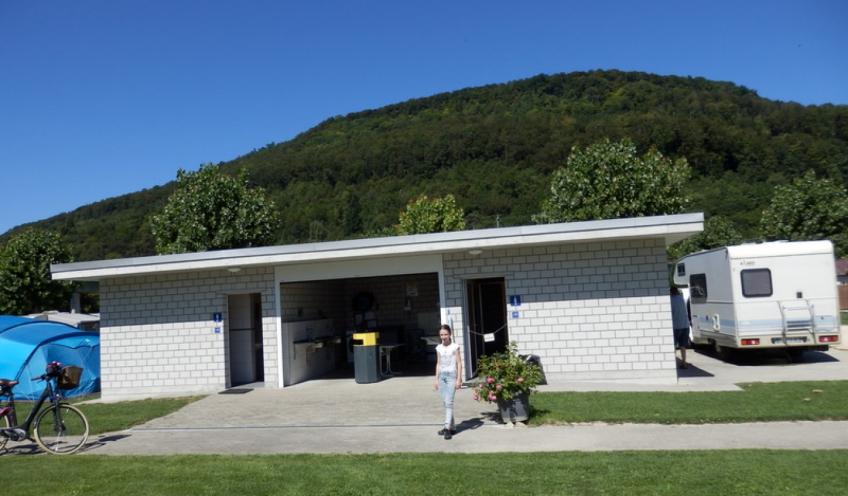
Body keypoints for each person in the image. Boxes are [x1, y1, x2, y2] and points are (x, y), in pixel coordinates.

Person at [433, 324, 462, 440]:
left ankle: (446, 428)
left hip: (451, 376)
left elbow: (459, 363)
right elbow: (438, 363)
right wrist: (436, 379)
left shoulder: (455, 347)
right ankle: (452, 427)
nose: (443, 337)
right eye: (441, 335)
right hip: (442, 377)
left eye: (445, 334)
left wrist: (459, 379)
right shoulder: (438, 348)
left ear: (450, 334)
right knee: (446, 403)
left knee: (449, 402)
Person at [670, 287, 690, 368]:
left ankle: (673, 364)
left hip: (676, 326)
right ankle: (684, 362)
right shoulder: (682, 299)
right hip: (685, 325)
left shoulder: (670, 300)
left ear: (671, 292)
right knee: (683, 346)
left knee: (673, 346)